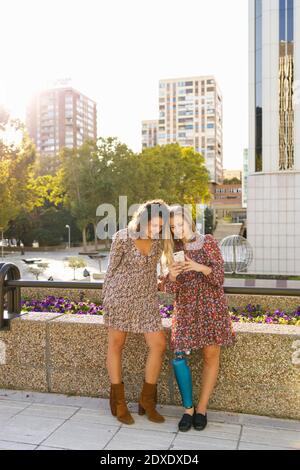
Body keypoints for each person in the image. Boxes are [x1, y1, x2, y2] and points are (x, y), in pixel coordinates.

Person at [159, 205, 236, 432]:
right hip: (185, 308)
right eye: (172, 227)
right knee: (179, 357)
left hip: (211, 307)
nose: (177, 230)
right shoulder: (173, 248)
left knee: (211, 355)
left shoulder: (208, 241)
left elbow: (219, 277)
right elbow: (169, 288)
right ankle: (188, 408)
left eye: (180, 224)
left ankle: (201, 409)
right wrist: (171, 276)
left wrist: (199, 267)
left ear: (189, 222)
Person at [102, 200, 172, 425]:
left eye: (161, 226)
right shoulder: (122, 237)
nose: (156, 230)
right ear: (143, 219)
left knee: (159, 344)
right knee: (116, 345)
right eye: (153, 225)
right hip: (119, 297)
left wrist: (162, 280)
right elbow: (111, 271)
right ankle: (119, 402)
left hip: (146, 300)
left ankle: (147, 401)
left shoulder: (159, 242)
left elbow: (158, 270)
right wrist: (108, 300)